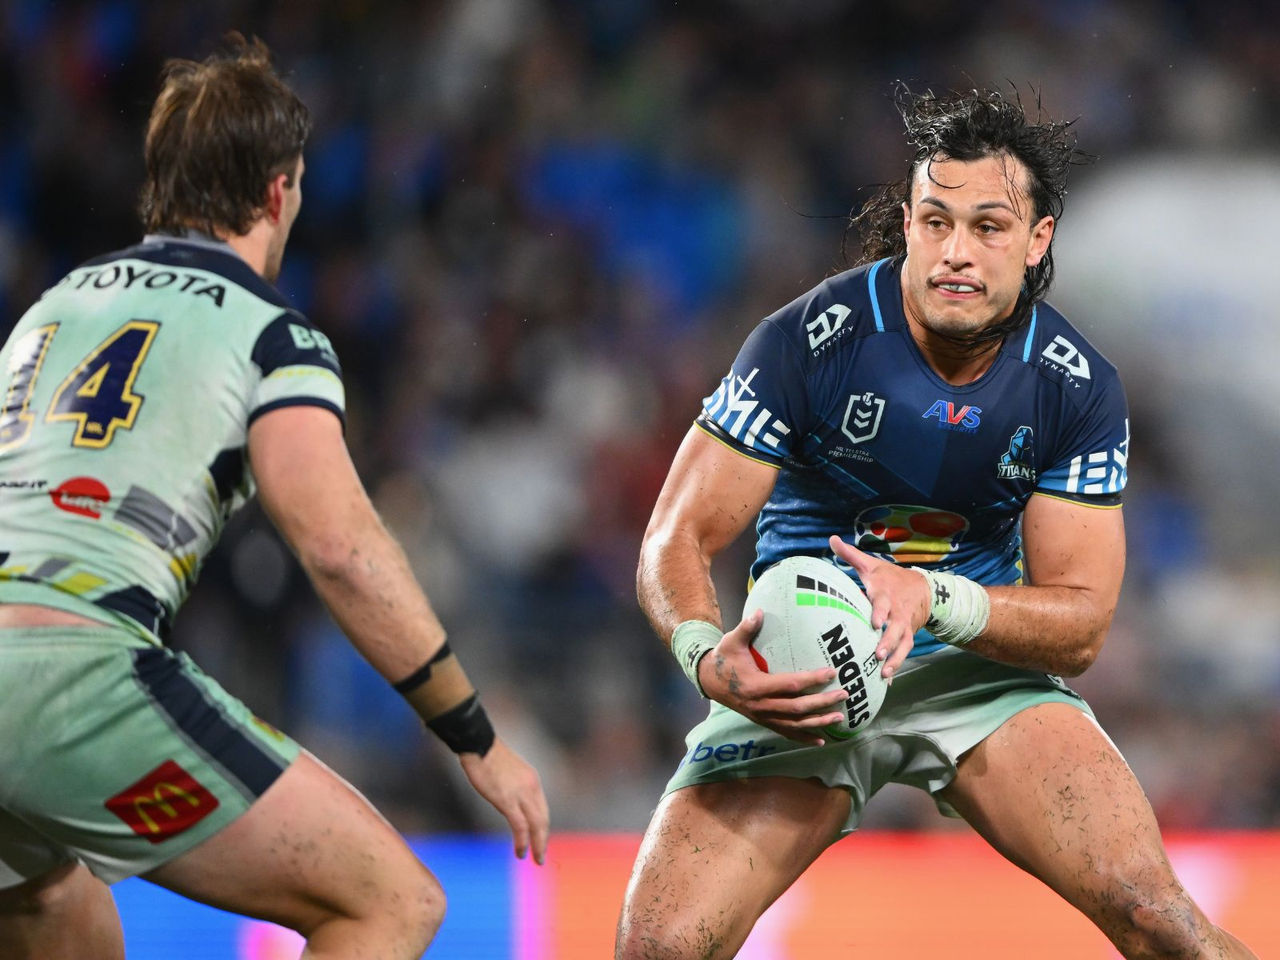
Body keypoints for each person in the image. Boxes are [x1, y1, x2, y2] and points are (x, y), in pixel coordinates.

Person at [616, 88, 1256, 959]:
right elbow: (675, 538)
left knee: (1160, 921)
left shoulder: (1075, 388)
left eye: (989, 227)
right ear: (908, 226)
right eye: (935, 221)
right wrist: (702, 652)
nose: (956, 252)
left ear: (1037, 242)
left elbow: (1081, 624)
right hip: (806, 670)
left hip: (971, 668)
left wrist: (935, 600)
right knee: (657, 949)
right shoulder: (809, 341)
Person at [0, 35, 548, 960]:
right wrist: (473, 732)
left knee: (63, 914)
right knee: (390, 902)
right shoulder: (268, 337)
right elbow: (341, 548)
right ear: (276, 192)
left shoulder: (48, 311)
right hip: (77, 674)